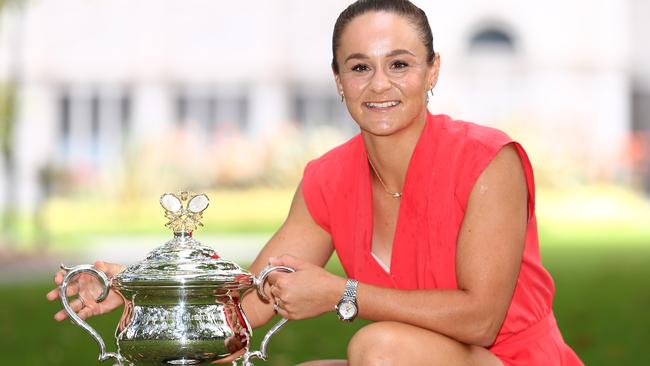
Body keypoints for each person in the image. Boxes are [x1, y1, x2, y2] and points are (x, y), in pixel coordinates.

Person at [47, 1, 584, 365]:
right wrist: (144, 294)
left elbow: (481, 320)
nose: (379, 84)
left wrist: (341, 293)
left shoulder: (488, 161)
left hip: (510, 360)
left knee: (377, 347)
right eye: (359, 67)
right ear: (337, 79)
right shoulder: (327, 179)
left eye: (399, 63)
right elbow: (248, 309)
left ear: (433, 71)